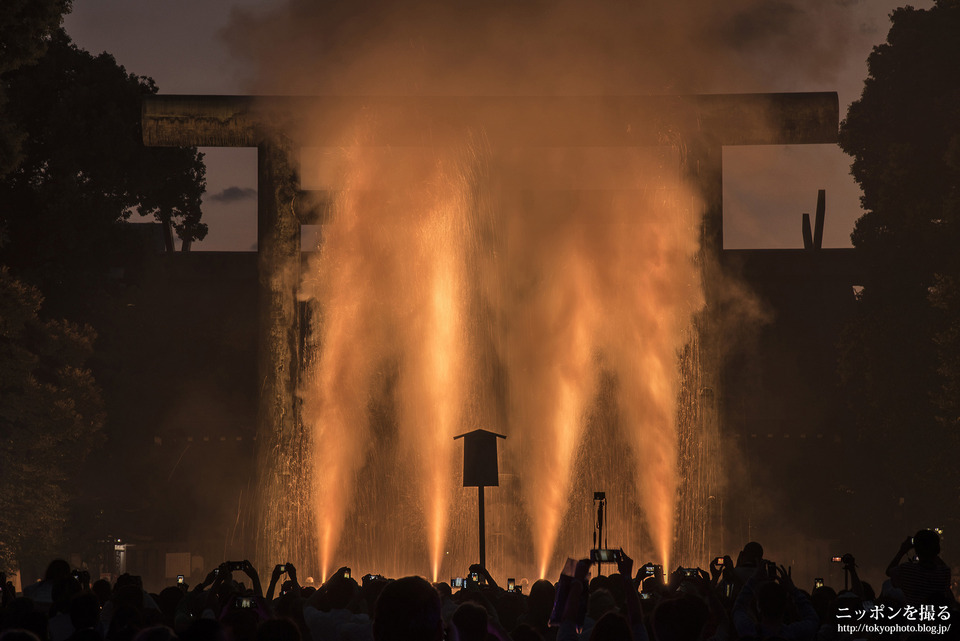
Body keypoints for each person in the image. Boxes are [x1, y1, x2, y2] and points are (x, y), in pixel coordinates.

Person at [885, 530, 953, 606]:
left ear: (916, 550)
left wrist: (903, 550)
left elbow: (889, 571)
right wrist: (931, 549)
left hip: (914, 616)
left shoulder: (907, 570)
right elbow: (942, 565)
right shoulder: (944, 572)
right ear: (937, 549)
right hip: (937, 616)